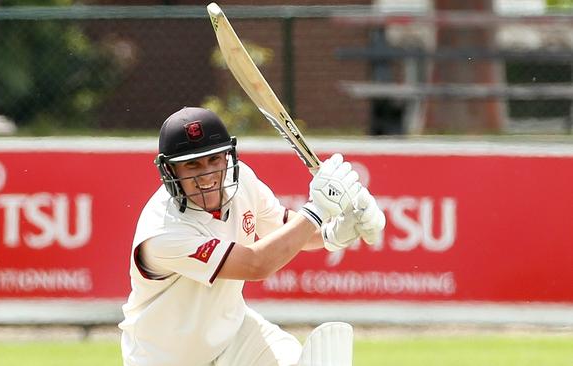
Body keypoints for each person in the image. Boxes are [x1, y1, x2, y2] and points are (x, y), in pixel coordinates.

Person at [119, 107, 386, 366]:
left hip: (233, 335)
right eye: (192, 165)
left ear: (228, 156)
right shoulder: (163, 232)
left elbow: (285, 230)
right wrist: (316, 209)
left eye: (214, 159)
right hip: (166, 356)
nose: (207, 175)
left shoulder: (242, 179)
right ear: (171, 172)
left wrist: (335, 233)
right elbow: (255, 264)